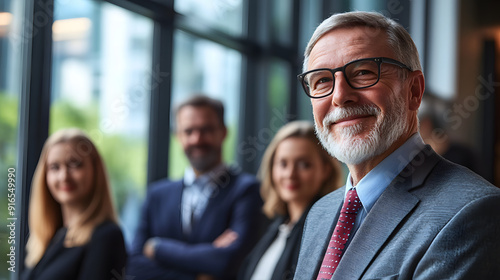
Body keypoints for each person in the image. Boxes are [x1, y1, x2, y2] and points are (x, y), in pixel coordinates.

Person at [294, 11, 500, 280]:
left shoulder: (472, 212)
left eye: (364, 73)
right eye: (322, 80)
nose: (340, 96)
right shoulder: (321, 212)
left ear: (414, 90)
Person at [128, 95, 263, 280]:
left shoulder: (248, 190)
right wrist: (200, 273)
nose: (197, 139)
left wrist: (157, 248)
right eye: (188, 131)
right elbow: (134, 266)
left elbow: (230, 261)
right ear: (177, 136)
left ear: (223, 132)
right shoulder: (157, 195)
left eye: (206, 130)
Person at [238, 121, 343, 280]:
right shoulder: (276, 227)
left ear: (326, 170)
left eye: (304, 164)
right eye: (283, 164)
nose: (290, 174)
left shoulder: (328, 233)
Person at [22, 128, 127, 280]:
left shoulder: (106, 236)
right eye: (55, 167)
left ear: (95, 171)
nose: (64, 176)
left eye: (75, 164)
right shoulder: (51, 236)